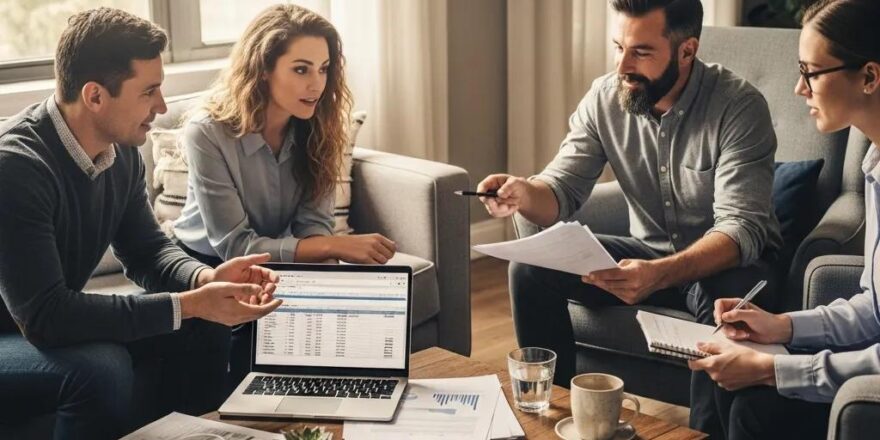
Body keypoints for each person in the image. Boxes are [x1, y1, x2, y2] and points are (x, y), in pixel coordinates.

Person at [476, 0, 781, 436]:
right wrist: (522, 193)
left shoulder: (738, 106)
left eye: (640, 52)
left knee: (727, 303)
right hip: (648, 255)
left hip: (728, 265)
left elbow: (740, 229)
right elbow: (560, 191)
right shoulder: (606, 97)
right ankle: (559, 418)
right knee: (530, 270)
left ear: (687, 51)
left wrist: (659, 274)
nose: (622, 65)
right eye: (618, 46)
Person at [0, 8, 283, 439]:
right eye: (149, 91)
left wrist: (205, 278)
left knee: (204, 324)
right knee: (101, 370)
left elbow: (148, 250)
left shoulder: (120, 151)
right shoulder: (17, 169)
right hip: (14, 332)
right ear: (95, 96)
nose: (163, 106)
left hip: (36, 323)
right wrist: (190, 303)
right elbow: (46, 317)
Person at [173, 4, 396, 388]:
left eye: (324, 69)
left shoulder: (321, 126)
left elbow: (313, 225)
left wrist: (327, 260)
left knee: (334, 319)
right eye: (301, 69)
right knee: (249, 348)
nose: (317, 84)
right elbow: (236, 245)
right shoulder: (206, 133)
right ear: (263, 69)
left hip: (278, 259)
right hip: (207, 264)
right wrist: (334, 247)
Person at [687, 1, 880, 438]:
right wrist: (783, 325)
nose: (799, 89)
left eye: (810, 72)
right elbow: (874, 309)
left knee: (755, 406)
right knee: (741, 388)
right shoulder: (875, 165)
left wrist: (776, 369)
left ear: (869, 77)